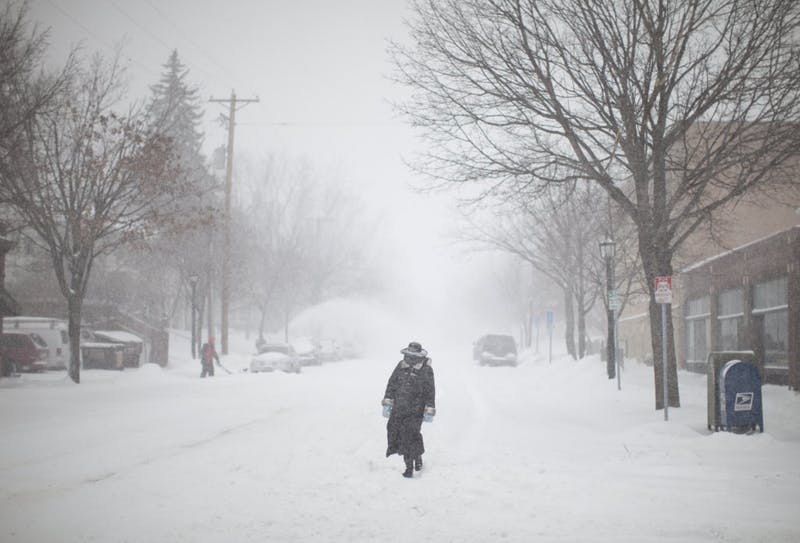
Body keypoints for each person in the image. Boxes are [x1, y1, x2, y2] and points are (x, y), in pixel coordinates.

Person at [382, 341, 436, 478]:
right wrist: (388, 401)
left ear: (419, 356)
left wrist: (429, 407)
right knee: (394, 431)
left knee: (409, 435)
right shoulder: (401, 366)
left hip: (416, 409)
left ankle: (409, 467)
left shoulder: (426, 369)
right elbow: (391, 384)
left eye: (413, 356)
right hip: (398, 407)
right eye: (408, 355)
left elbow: (430, 391)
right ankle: (417, 457)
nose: (410, 358)